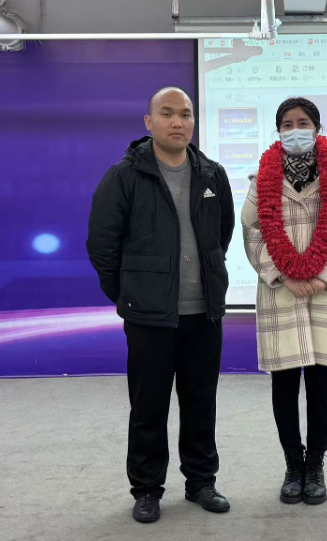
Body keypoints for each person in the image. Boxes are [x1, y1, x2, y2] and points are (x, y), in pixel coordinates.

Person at [87, 87, 234, 523]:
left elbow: (221, 233)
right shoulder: (125, 175)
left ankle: (201, 481)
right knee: (149, 406)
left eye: (185, 114)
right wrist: (128, 294)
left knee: (201, 402)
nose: (177, 122)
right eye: (167, 114)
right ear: (149, 122)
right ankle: (147, 489)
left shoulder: (212, 174)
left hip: (203, 312)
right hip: (149, 315)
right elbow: (102, 243)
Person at [241, 97, 327, 505]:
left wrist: (322, 276)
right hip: (281, 290)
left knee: (320, 385)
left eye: (303, 122)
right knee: (284, 383)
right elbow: (252, 231)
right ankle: (293, 465)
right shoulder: (261, 178)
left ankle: (316, 467)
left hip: (325, 292)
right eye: (287, 124)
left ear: (317, 128)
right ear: (278, 131)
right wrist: (283, 274)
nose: (296, 130)